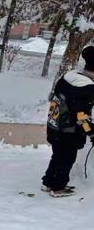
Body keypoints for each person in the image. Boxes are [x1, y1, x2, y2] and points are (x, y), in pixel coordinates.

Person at [42, 45, 94, 197]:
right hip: (68, 131)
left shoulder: (68, 78)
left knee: (57, 155)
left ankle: (48, 182)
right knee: (67, 159)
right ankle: (58, 188)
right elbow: (81, 115)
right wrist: (91, 133)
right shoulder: (86, 88)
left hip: (54, 125)